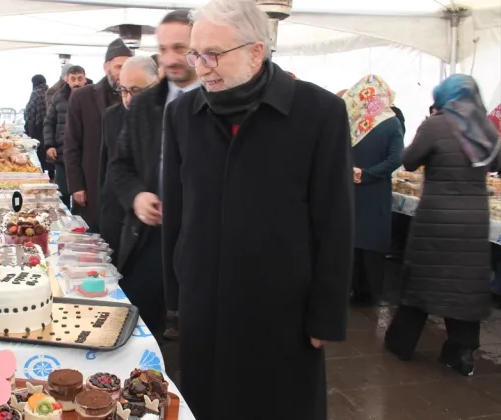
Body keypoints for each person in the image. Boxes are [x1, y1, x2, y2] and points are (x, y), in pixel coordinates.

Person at [162, 1, 353, 418]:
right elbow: (176, 212)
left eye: (213, 54)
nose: (202, 66)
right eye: (196, 54)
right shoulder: (182, 114)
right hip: (205, 303)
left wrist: (326, 316)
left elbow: (334, 221)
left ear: (256, 51)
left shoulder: (319, 113)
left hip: (281, 307)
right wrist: (176, 298)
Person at [385, 75, 500, 376]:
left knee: (421, 281)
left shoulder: (436, 124)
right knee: (465, 287)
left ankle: (401, 344)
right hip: (473, 220)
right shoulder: (486, 128)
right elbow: (496, 164)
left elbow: (408, 160)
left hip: (437, 217)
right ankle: (461, 354)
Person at [109, 9, 201, 342]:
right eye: (164, 49)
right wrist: (137, 196)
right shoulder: (145, 105)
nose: (171, 58)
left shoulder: (221, 102)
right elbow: (120, 165)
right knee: (135, 325)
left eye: (180, 47)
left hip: (202, 240)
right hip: (149, 236)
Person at [342, 75, 404, 306]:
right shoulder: (391, 122)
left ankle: (348, 288)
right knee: (372, 239)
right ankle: (369, 292)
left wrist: (351, 171)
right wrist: (368, 174)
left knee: (351, 237)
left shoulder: (350, 120)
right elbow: (396, 158)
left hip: (349, 187)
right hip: (375, 189)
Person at [100, 56, 160, 286]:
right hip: (115, 211)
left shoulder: (168, 118)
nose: (128, 98)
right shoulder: (112, 117)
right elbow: (106, 168)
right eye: (123, 90)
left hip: (148, 222)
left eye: (136, 90)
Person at [64, 39, 133, 232]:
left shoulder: (137, 96)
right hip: (91, 182)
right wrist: (76, 185)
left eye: (127, 66)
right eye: (119, 66)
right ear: (106, 67)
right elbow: (71, 144)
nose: (122, 71)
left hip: (123, 185)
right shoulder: (82, 97)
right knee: (91, 241)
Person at [44, 65, 87, 209]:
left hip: (85, 155)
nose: (76, 82)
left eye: (80, 78)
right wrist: (49, 145)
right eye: (73, 79)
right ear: (67, 80)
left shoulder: (92, 97)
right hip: (62, 154)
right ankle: (65, 223)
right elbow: (49, 122)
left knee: (83, 195)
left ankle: (81, 225)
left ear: (85, 79)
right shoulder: (58, 97)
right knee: (62, 192)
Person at [25, 74, 53, 179]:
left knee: (39, 151)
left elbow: (30, 111)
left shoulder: (35, 93)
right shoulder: (51, 91)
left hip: (39, 128)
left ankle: (40, 173)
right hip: (50, 127)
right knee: (48, 148)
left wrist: (28, 129)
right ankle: (51, 172)